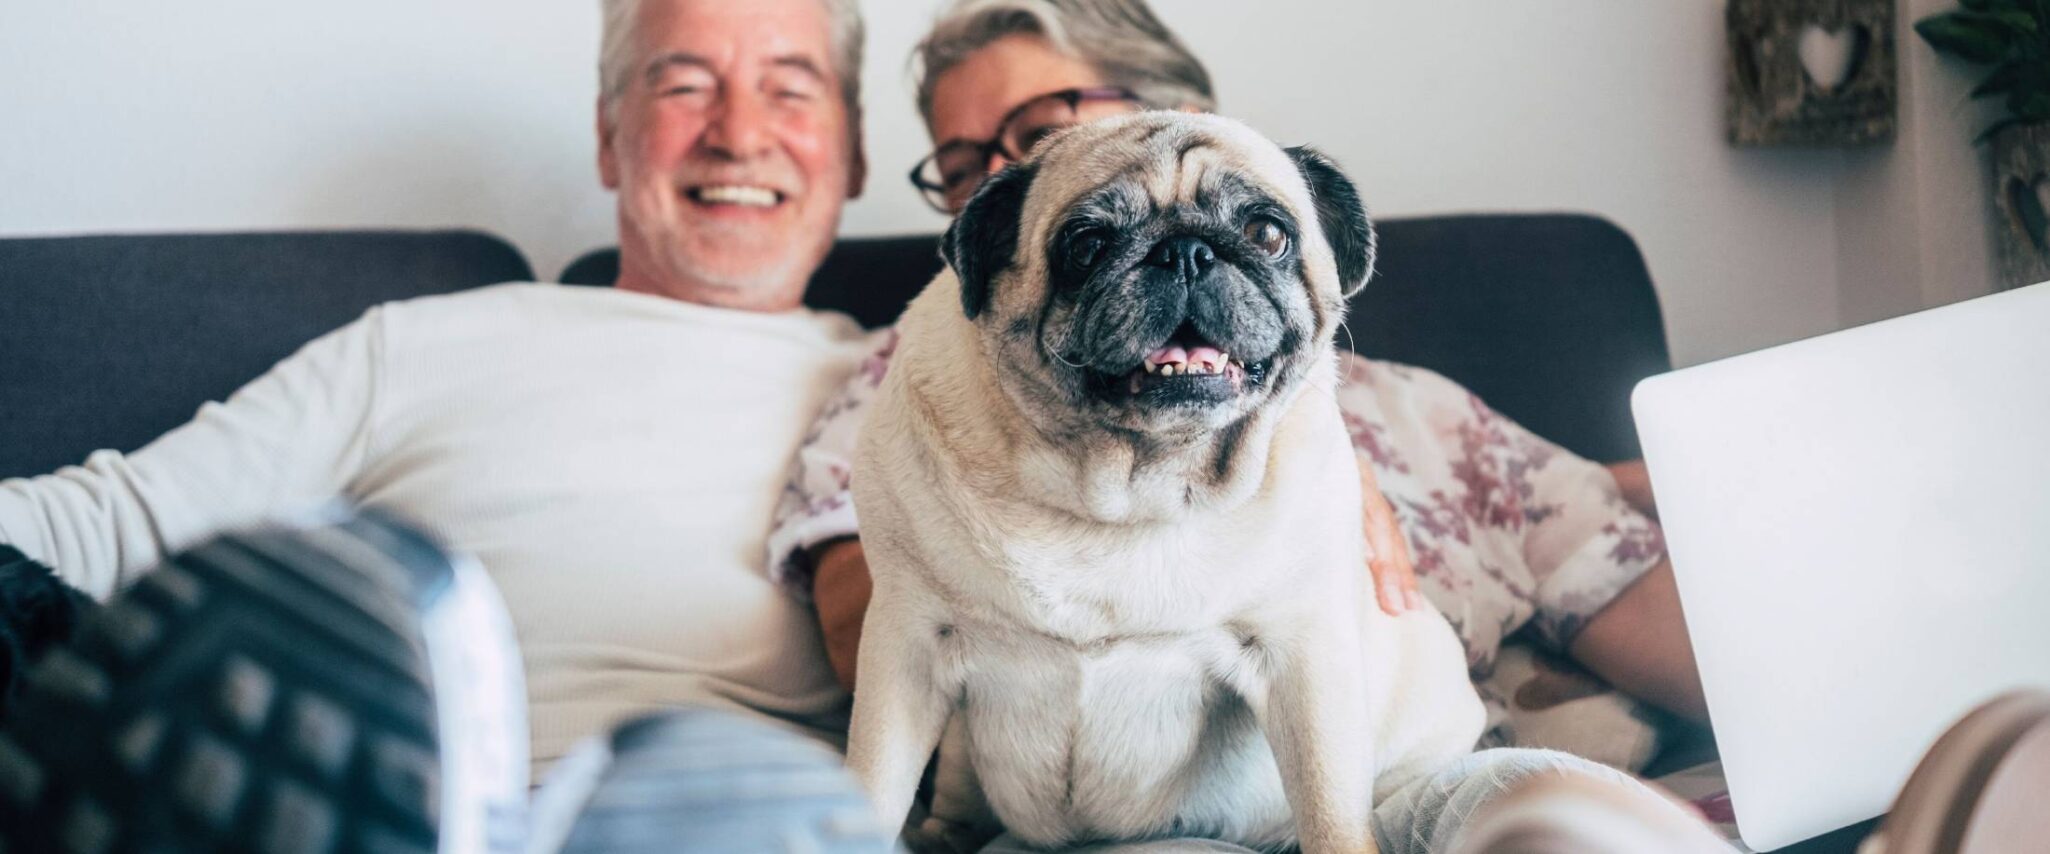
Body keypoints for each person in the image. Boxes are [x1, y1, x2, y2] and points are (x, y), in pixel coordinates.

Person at [782, 0, 1705, 766]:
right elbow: (878, 624)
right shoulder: (917, 379)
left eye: (1044, 134)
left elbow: (1602, 544)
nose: (1006, 179)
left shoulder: (1412, 406)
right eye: (960, 165)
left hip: (1506, 747)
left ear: (1187, 116)